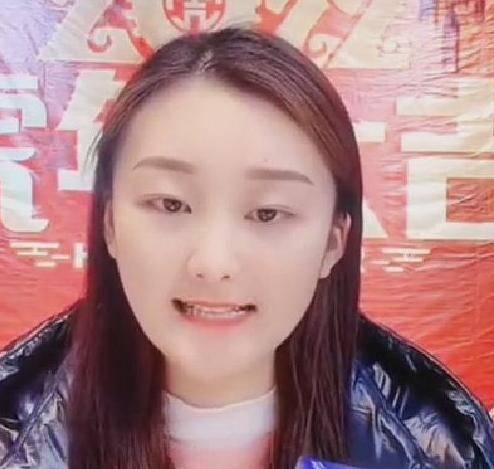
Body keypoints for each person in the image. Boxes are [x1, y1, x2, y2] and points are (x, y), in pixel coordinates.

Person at [0, 27, 493, 469]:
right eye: (170, 204)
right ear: (109, 224)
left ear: (332, 242)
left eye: (267, 213)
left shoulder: (445, 452)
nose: (213, 264)